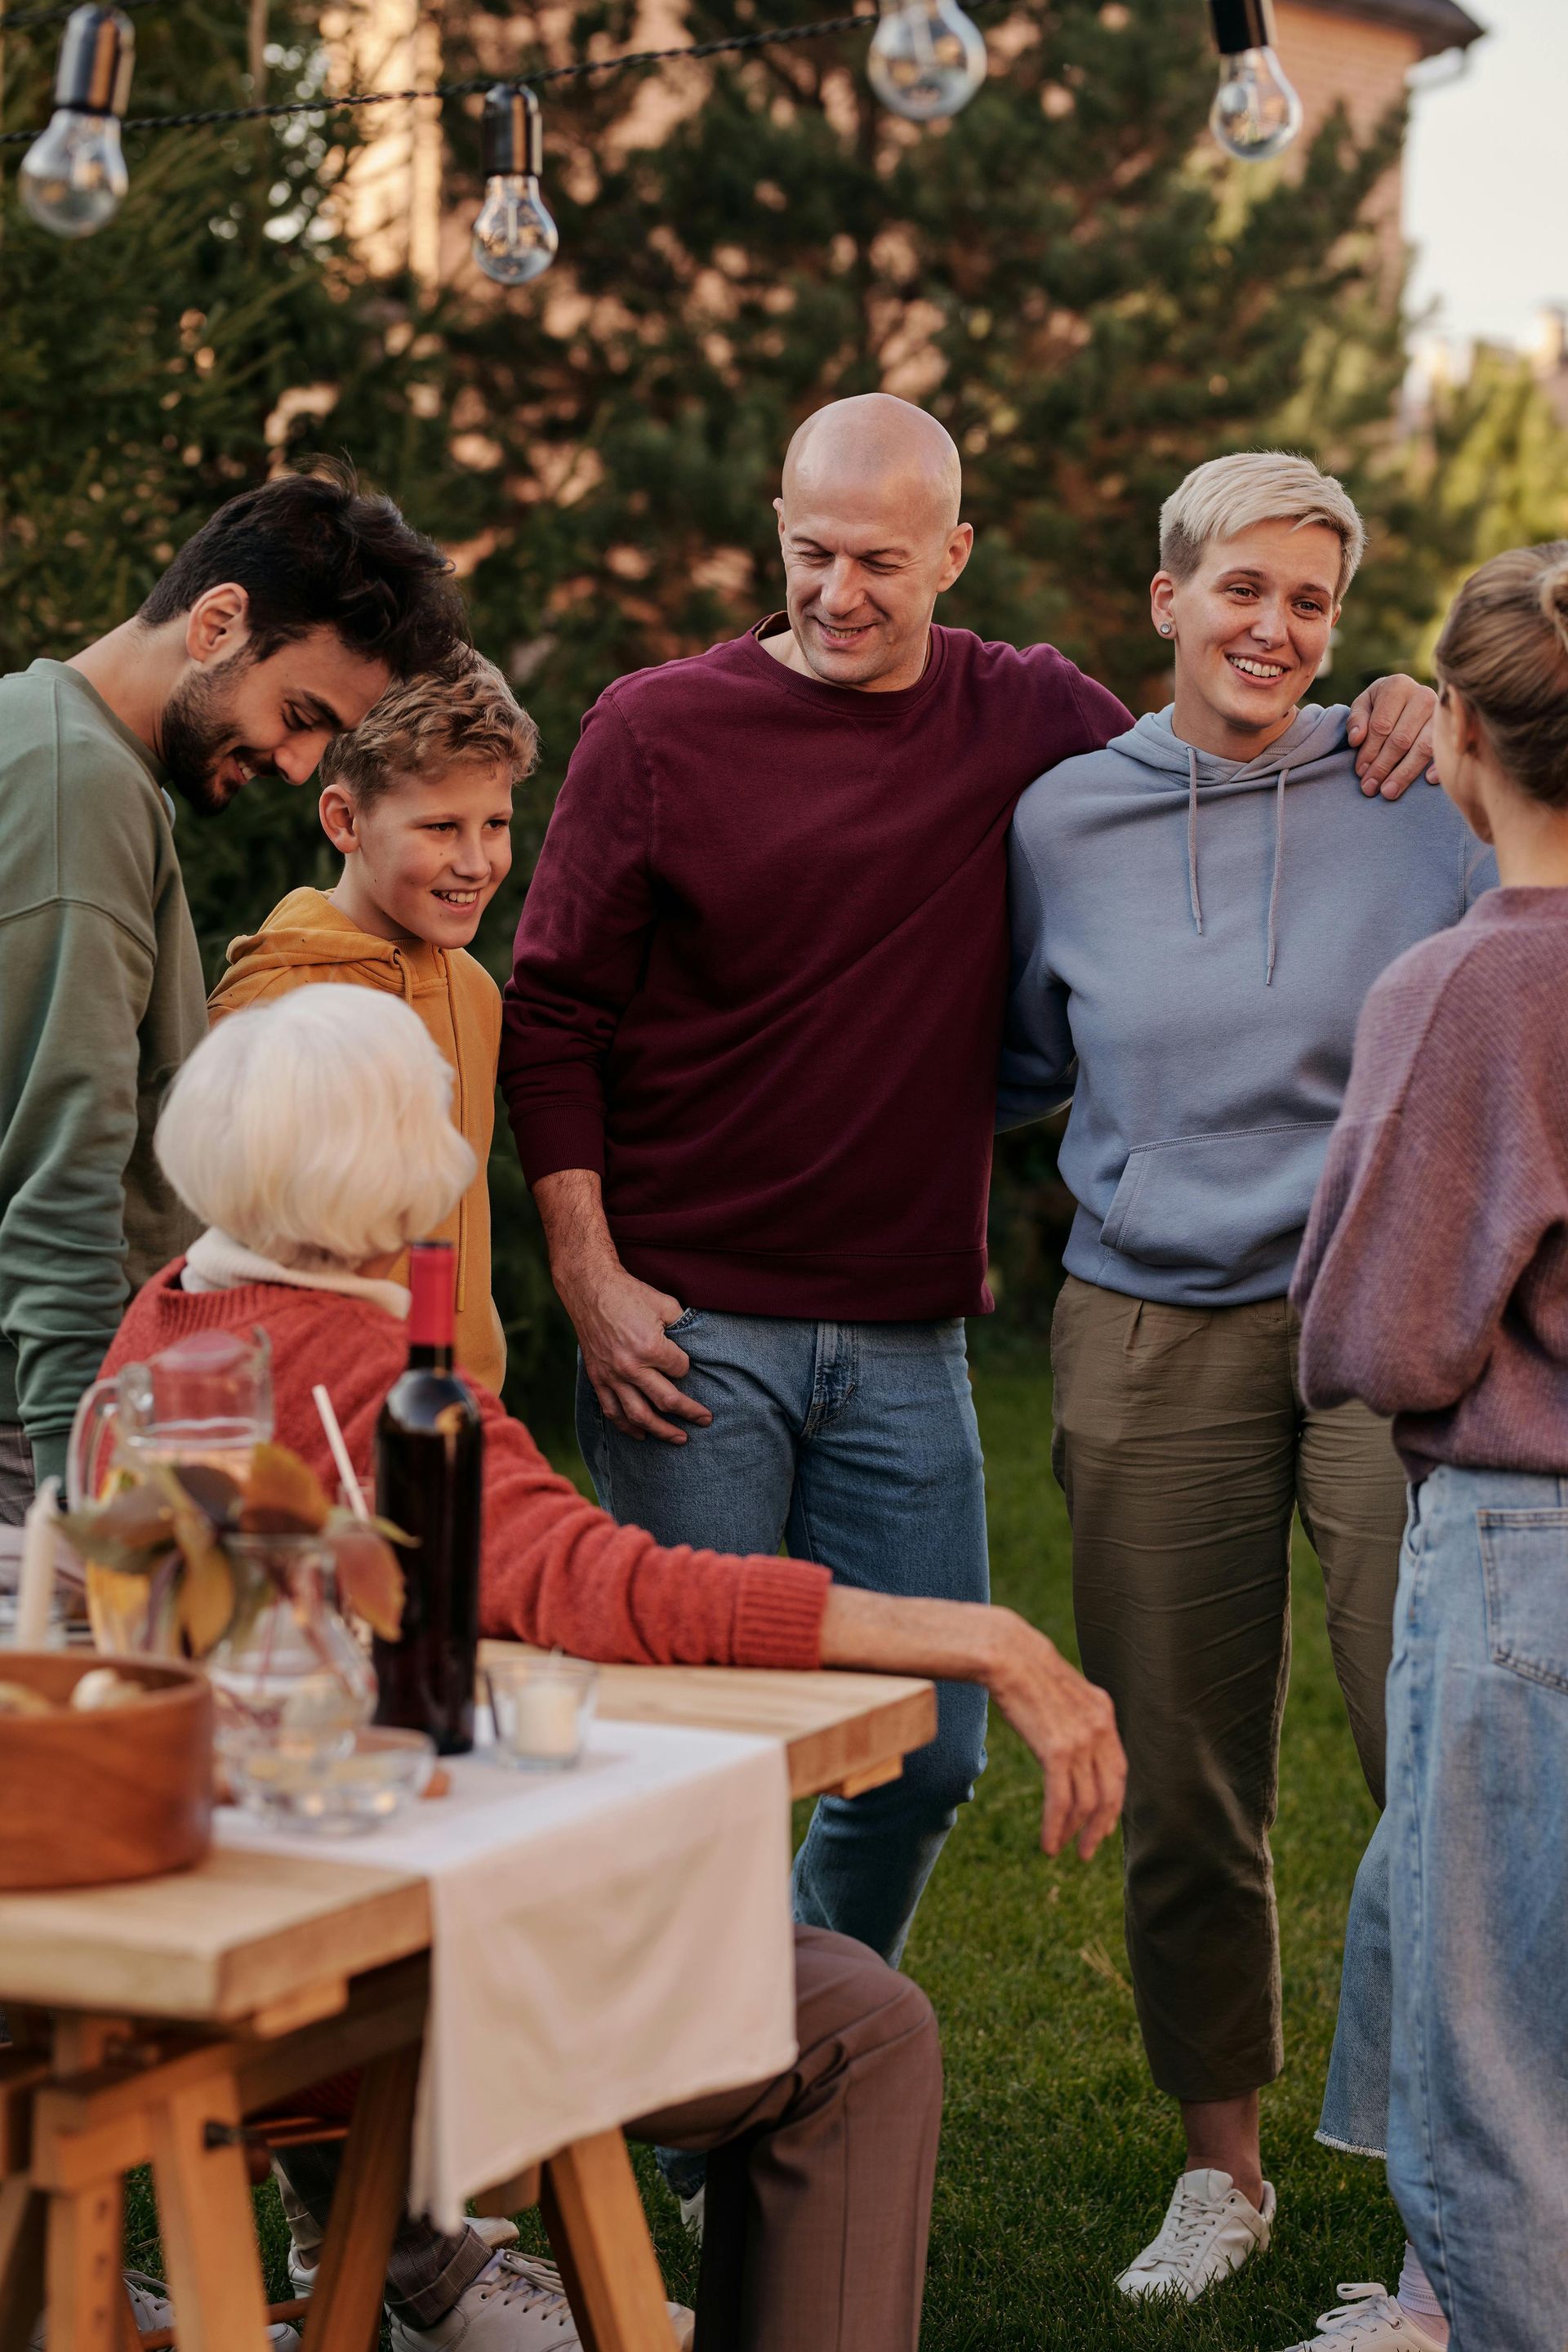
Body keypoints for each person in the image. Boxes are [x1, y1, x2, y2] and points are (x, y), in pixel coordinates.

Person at [497, 395, 1439, 2010]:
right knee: (701, 1754)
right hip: (688, 1327)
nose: (840, 593)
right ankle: (702, 2109)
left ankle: (784, 2036)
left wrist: (1396, 708)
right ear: (776, 535)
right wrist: (586, 1273)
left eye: (880, 560)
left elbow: (1221, 730)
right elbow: (554, 1014)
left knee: (923, 1758)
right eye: (810, 554)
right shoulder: (654, 731)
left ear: (954, 554)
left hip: (906, 1334)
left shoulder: (1024, 720)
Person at [96, 982, 1126, 2352]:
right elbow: (610, 1589)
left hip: (222, 1928)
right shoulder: (365, 1369)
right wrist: (976, 1634)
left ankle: (435, 2265)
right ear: (388, 1163)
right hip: (369, 1981)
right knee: (862, 2027)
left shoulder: (163, 1328)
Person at [999, 452, 1494, 2305]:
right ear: (1166, 598)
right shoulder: (1058, 822)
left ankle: (1480, 2175)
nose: (1273, 627)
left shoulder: (1414, 789)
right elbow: (1014, 1058)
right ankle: (1224, 2171)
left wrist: (1444, 720)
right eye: (1242, 589)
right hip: (1145, 1323)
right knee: (1187, 1770)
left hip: (1384, 1324)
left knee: (1434, 1747)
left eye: (1310, 600)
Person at [1289, 541, 1568, 2352]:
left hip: (1524, 1544)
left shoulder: (1463, 988)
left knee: (1498, 2063)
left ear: (1457, 730)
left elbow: (1380, 1332)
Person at [0, 458, 467, 1524]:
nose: (301, 766)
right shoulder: (83, 791)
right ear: (216, 622)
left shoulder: (44, 737)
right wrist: (91, 1498)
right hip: (40, 1430)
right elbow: (63, 1170)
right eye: (299, 712)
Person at [208, 648, 536, 1394]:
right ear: (345, 819)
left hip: (464, 1400)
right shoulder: (272, 1006)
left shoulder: (478, 992)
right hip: (318, 1410)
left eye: (495, 823)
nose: (477, 861)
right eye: (441, 827)